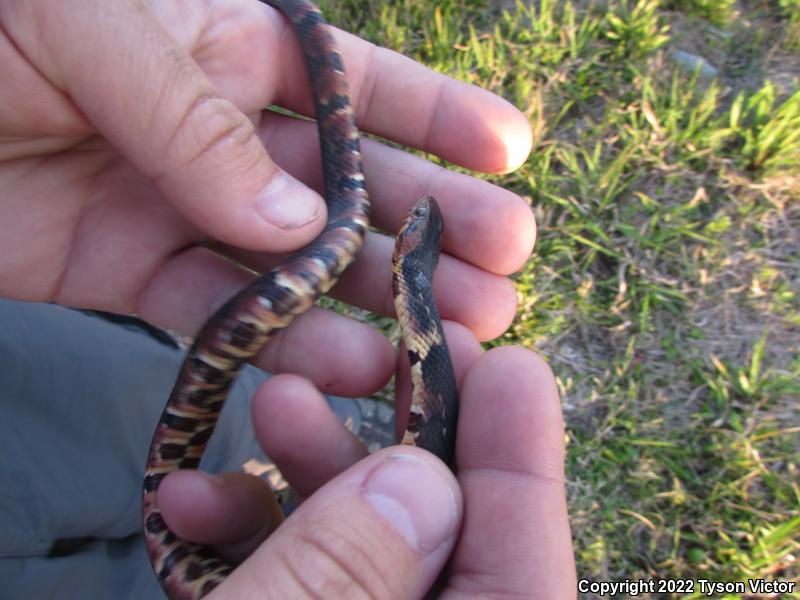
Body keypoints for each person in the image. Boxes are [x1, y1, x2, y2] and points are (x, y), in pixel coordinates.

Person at [0, 1, 576, 598]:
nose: (413, 214)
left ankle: (302, 443)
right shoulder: (412, 283)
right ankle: (330, 439)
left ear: (406, 255)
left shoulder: (412, 281)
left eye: (409, 225)